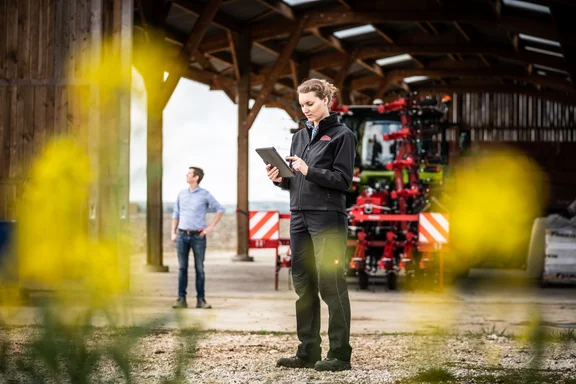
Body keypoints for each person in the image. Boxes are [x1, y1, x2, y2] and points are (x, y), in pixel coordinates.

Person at [266, 78, 356, 372]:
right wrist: (282, 180)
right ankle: (308, 352)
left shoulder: (343, 135)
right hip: (299, 216)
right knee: (303, 285)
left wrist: (308, 169)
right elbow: (298, 182)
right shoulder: (298, 138)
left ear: (326, 100)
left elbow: (343, 181)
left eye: (311, 104)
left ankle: (340, 355)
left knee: (331, 284)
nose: (305, 109)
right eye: (302, 105)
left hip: (328, 218)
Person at [171, 166, 224, 309]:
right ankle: (181, 299)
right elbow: (176, 214)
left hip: (198, 238)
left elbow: (220, 209)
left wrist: (210, 227)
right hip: (182, 235)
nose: (186, 175)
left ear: (196, 178)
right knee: (182, 268)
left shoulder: (205, 194)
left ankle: (201, 300)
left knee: (199, 269)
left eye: (189, 173)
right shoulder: (181, 194)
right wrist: (173, 232)